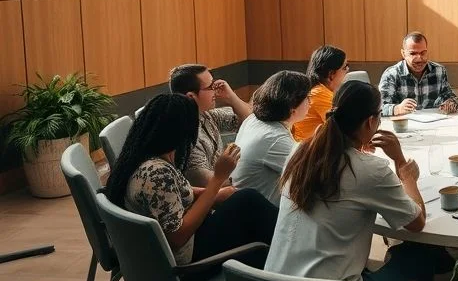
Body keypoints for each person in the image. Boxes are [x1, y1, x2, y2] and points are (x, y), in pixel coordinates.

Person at [265, 81, 448, 281]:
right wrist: (404, 170)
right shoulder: (370, 170)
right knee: (418, 254)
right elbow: (416, 221)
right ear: (371, 122)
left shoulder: (299, 152)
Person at [106, 94, 276, 267]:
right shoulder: (157, 174)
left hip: (164, 252)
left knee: (245, 203)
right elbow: (178, 236)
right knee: (250, 204)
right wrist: (218, 179)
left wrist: (211, 194)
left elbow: (175, 194)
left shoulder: (139, 158)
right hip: (186, 264)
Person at [230, 71, 311, 204]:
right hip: (263, 217)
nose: (310, 102)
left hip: (247, 206)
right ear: (292, 108)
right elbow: (315, 174)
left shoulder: (254, 119)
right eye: (307, 97)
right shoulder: (275, 139)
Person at [169, 64, 251, 186]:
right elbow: (205, 182)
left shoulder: (205, 114)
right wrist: (248, 177)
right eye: (210, 87)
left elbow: (249, 119)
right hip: (209, 197)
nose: (215, 91)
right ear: (191, 96)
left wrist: (231, 98)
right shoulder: (185, 134)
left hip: (222, 185)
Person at [378, 32, 458, 116]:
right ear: (403, 54)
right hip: (404, 125)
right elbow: (379, 108)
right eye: (413, 53)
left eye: (423, 53)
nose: (419, 58)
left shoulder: (439, 71)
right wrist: (397, 108)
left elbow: (451, 97)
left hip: (433, 123)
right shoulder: (391, 74)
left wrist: (451, 103)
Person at [292, 46, 349, 141]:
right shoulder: (319, 93)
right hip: (310, 151)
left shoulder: (318, 90)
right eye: (345, 67)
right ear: (331, 74)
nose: (347, 70)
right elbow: (346, 128)